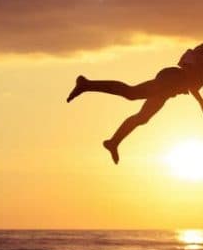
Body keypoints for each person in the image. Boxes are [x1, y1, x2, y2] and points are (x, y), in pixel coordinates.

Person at [67, 47, 203, 164]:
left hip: (171, 87)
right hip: (171, 80)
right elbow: (190, 72)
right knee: (131, 93)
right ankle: (86, 84)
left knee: (143, 117)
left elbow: (193, 82)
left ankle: (113, 142)